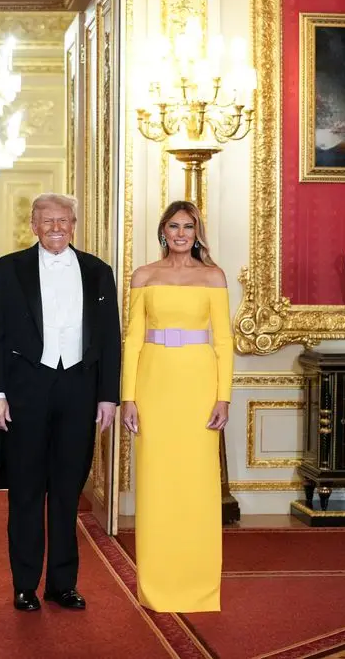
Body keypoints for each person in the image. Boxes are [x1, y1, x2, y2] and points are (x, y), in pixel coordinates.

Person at [0, 193, 121, 612]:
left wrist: (108, 396)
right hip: (26, 391)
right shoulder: (9, 268)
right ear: (33, 225)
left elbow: (111, 338)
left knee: (66, 492)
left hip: (79, 390)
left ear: (74, 224)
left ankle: (62, 584)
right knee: (25, 492)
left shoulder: (98, 271)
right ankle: (25, 585)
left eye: (63, 220)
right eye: (48, 221)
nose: (56, 227)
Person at [120, 200, 233, 613]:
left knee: (197, 484)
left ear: (197, 231)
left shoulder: (214, 277)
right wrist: (128, 396)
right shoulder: (144, 275)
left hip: (198, 387)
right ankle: (156, 587)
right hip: (154, 385)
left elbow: (223, 341)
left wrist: (224, 396)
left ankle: (200, 587)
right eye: (174, 226)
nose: (181, 233)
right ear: (162, 231)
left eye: (189, 226)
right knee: (156, 484)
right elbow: (132, 339)